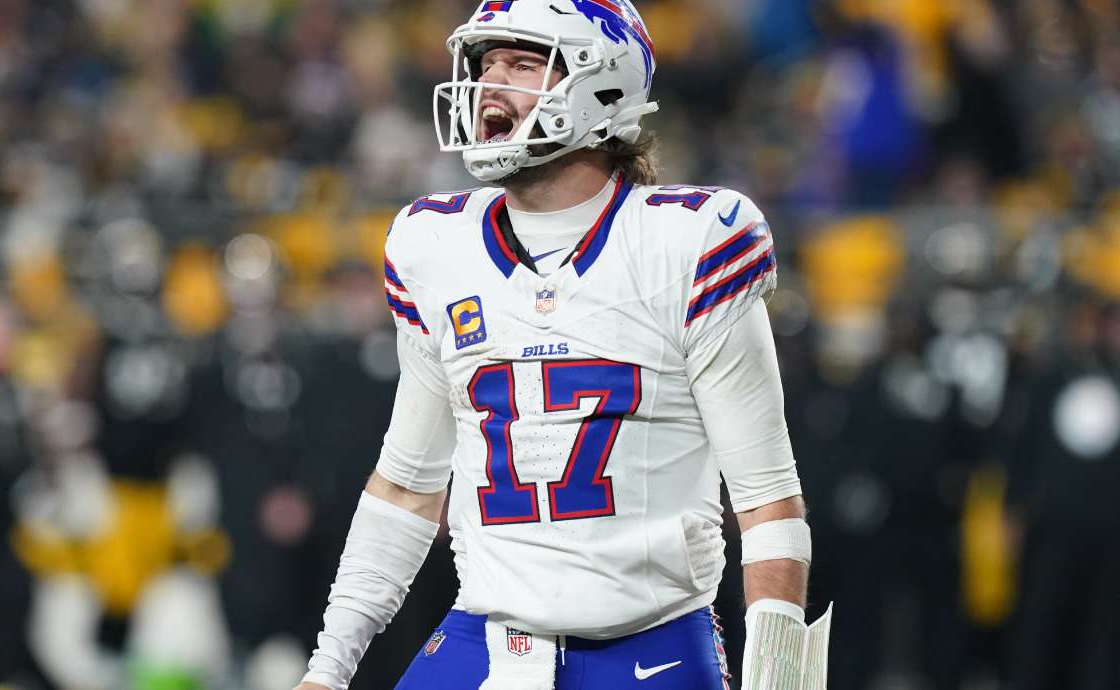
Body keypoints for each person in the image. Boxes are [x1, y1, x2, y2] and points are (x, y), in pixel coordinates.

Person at [298, 1, 827, 688]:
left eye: (521, 64)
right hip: (485, 637)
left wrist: (779, 678)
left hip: (646, 648)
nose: (491, 85)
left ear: (600, 86)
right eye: (486, 65)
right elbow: (405, 487)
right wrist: (327, 669)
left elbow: (767, 501)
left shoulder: (688, 243)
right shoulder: (436, 245)